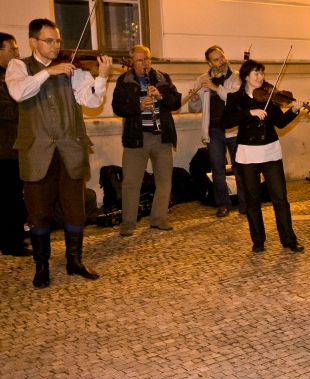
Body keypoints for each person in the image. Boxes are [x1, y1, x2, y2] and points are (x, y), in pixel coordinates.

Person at [6, 19, 112, 287]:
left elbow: (90, 100)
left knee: (74, 210)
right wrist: (48, 73)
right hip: (36, 151)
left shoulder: (72, 69)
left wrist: (101, 79)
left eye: (58, 41)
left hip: (70, 149)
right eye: (49, 41)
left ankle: (74, 261)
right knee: (39, 213)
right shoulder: (19, 66)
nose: (55, 46)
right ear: (34, 43)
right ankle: (42, 267)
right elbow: (19, 92)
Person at [221, 59, 304, 254]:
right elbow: (225, 122)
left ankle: (289, 240)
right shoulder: (236, 98)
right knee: (253, 200)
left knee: (280, 198)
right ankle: (258, 241)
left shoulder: (269, 97)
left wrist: (293, 110)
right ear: (246, 77)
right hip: (248, 153)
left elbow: (281, 122)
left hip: (270, 151)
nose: (261, 77)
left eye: (262, 73)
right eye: (257, 74)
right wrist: (249, 113)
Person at [112, 45, 182, 237]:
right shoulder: (124, 80)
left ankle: (158, 219)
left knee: (164, 181)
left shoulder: (162, 78)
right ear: (133, 62)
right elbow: (117, 107)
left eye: (147, 59)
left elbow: (176, 102)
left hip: (162, 136)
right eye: (140, 60)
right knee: (131, 182)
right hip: (137, 137)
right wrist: (139, 105)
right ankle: (128, 222)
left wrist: (161, 96)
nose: (145, 64)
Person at [188, 45, 246, 217]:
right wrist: (193, 99)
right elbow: (195, 108)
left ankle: (244, 204)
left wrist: (215, 88)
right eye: (216, 59)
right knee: (217, 169)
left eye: (221, 56)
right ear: (209, 62)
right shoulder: (202, 79)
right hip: (214, 130)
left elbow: (235, 100)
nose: (220, 61)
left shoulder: (236, 78)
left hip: (234, 130)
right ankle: (223, 204)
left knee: (240, 168)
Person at [0, 32, 29, 257]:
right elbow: (6, 110)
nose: (17, 54)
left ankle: (13, 238)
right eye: (12, 49)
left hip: (13, 147)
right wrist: (28, 106)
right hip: (4, 149)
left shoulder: (11, 75)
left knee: (13, 197)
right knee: (9, 198)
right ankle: (11, 243)